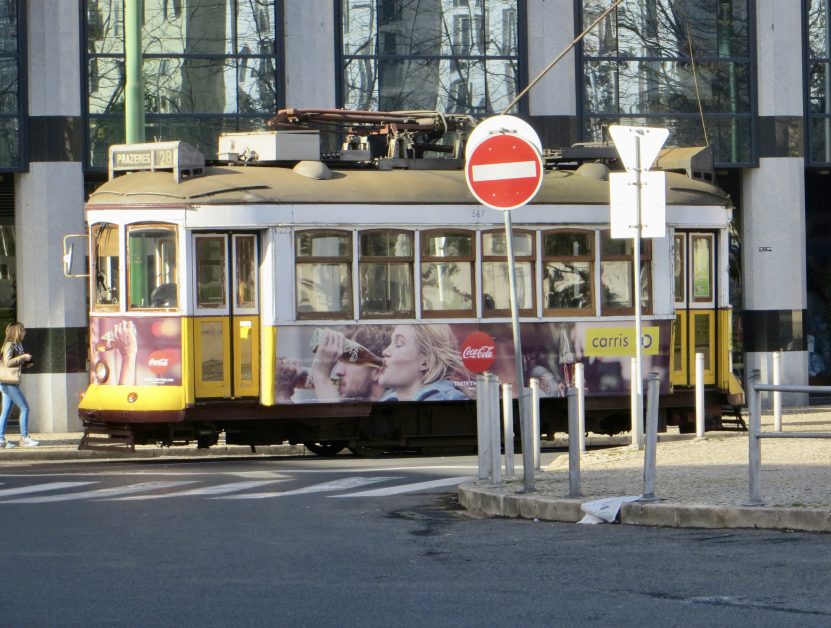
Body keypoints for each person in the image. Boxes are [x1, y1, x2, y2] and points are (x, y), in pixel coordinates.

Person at [378, 324, 470, 401]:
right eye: (390, 343)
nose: (385, 352)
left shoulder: (442, 399)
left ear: (425, 362)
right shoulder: (388, 401)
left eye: (398, 344)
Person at [0, 322, 37, 448]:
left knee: (5, 412)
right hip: (8, 383)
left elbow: (15, 362)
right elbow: (8, 362)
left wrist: (26, 362)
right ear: (17, 331)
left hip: (10, 382)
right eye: (22, 330)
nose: (25, 332)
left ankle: (0, 440)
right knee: (25, 408)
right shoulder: (9, 344)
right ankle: (24, 438)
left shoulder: (18, 345)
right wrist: (22, 357)